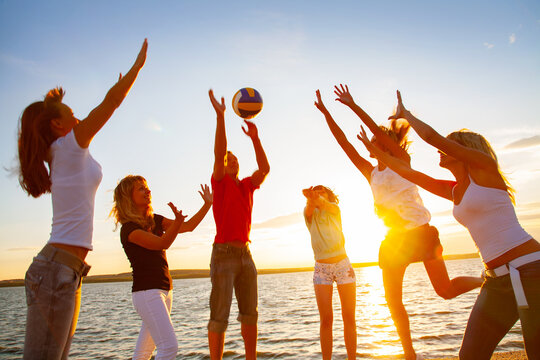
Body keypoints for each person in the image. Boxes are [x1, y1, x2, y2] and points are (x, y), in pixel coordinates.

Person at [357, 90, 540, 360]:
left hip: (530, 271)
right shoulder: (455, 190)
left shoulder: (485, 169)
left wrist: (406, 115)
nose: (441, 149)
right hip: (495, 280)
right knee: (469, 356)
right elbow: (409, 173)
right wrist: (375, 152)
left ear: (464, 150)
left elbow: (431, 138)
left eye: (449, 146)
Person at [315, 86, 482, 360]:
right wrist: (326, 113)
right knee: (393, 301)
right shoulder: (371, 173)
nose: (370, 142)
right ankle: (409, 354)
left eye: (375, 140)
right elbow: (344, 143)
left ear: (385, 144)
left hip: (421, 233)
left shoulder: (402, 161)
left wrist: (352, 105)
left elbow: (379, 133)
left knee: (445, 290)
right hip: (394, 240)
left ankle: (483, 280)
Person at [17, 39, 147, 359]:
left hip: (68, 272)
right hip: (55, 273)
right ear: (57, 125)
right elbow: (110, 104)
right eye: (72, 115)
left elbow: (98, 106)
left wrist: (54, 102)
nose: (79, 119)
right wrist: (137, 68)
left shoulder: (65, 153)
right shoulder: (67, 148)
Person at [111, 175, 213, 360]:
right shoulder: (129, 229)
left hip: (165, 291)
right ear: (128, 196)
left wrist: (207, 205)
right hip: (147, 293)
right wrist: (177, 222)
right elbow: (162, 243)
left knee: (144, 352)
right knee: (169, 347)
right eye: (141, 188)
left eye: (147, 187)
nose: (148, 191)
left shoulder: (155, 220)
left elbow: (188, 227)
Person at [207, 89, 270, 360]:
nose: (231, 160)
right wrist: (221, 118)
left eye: (235, 159)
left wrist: (256, 139)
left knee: (250, 314)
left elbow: (264, 169)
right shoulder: (219, 183)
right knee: (219, 316)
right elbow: (219, 151)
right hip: (223, 255)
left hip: (246, 254)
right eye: (227, 159)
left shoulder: (246, 186)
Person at [303, 185, 357, 360]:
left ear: (329, 196)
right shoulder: (309, 214)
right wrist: (311, 200)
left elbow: (324, 204)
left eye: (322, 192)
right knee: (326, 319)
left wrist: (314, 197)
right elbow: (310, 208)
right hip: (321, 269)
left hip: (342, 265)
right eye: (315, 192)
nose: (318, 195)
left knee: (348, 316)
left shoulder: (334, 209)